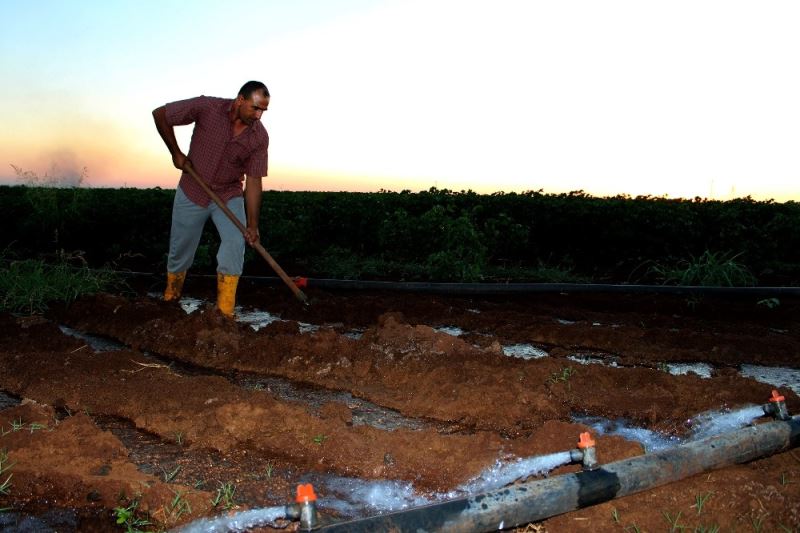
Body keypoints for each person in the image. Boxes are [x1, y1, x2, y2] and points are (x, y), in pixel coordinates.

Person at [152, 81, 270, 317]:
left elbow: (254, 182)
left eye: (263, 111)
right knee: (180, 249)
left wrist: (253, 225)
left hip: (228, 194)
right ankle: (171, 298)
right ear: (240, 100)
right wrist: (175, 152)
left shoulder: (259, 138)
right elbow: (160, 114)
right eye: (255, 108)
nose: (258, 116)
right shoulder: (208, 107)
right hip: (193, 189)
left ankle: (224, 313)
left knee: (235, 244)